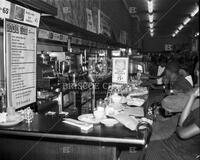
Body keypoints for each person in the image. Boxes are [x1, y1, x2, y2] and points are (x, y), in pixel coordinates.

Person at [141, 87, 200, 160]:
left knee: (142, 150)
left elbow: (183, 134)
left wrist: (178, 128)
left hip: (179, 153)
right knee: (141, 147)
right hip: (172, 144)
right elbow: (183, 123)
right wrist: (192, 96)